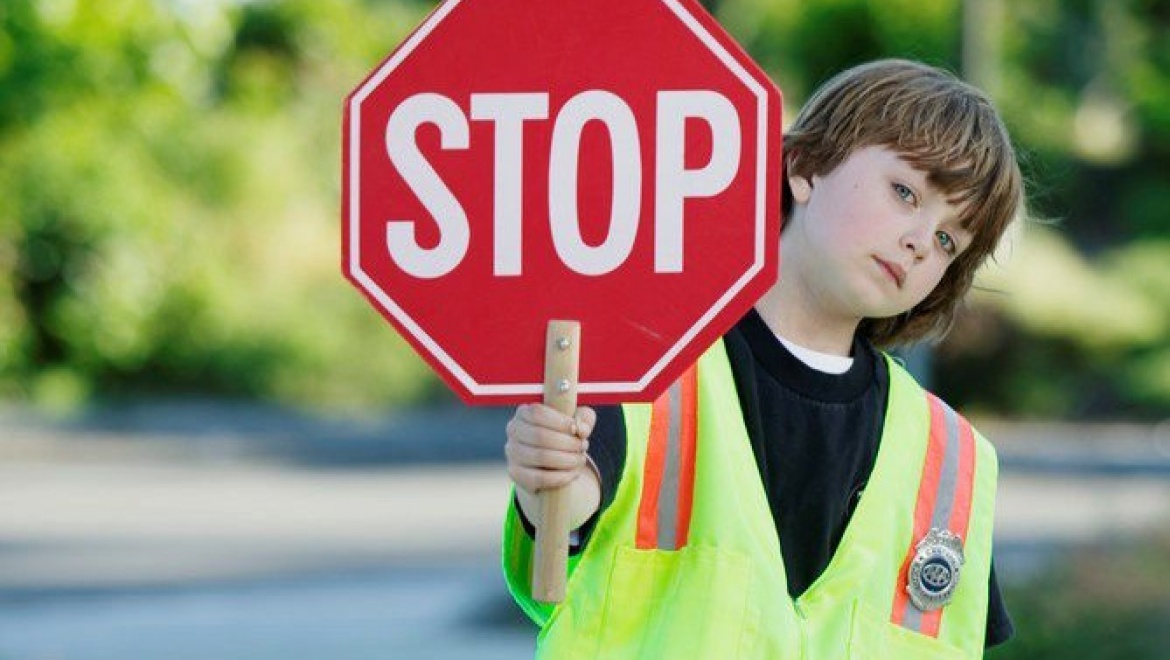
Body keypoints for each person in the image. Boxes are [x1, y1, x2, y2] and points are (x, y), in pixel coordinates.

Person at [501, 59, 1024, 658]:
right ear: (804, 168)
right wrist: (545, 471)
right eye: (905, 192)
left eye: (947, 241)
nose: (919, 241)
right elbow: (563, 505)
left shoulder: (953, 459)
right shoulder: (654, 364)